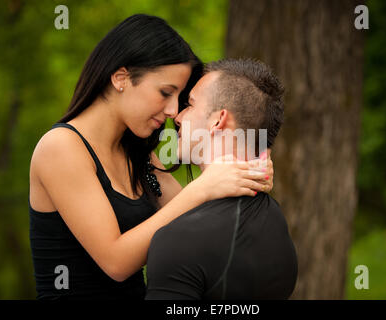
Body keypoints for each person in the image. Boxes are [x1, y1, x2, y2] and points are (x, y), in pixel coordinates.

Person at [28, 15, 274, 300]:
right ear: (121, 78)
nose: (172, 111)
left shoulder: (138, 154)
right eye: (165, 93)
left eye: (179, 98)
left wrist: (244, 171)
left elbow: (197, 222)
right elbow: (115, 262)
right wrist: (204, 186)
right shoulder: (60, 148)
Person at [145, 58, 298, 300]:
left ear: (218, 120)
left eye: (190, 105)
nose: (177, 116)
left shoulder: (178, 242)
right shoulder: (276, 222)